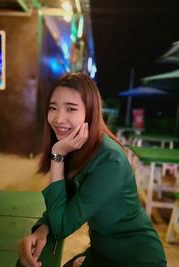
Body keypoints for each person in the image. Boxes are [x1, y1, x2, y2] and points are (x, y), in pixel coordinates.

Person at [18, 72, 167, 267]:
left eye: (71, 109)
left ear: (89, 112)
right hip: (101, 251)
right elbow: (65, 203)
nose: (58, 118)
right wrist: (41, 230)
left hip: (135, 258)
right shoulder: (77, 146)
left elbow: (63, 225)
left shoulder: (109, 159)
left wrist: (57, 155)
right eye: (53, 108)